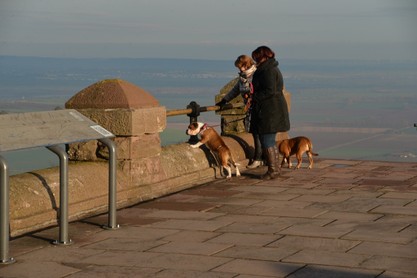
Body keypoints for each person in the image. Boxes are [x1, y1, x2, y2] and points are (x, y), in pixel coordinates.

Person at [215, 55, 263, 168]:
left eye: (240, 66)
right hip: (251, 108)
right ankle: (260, 158)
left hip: (260, 107)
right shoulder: (243, 77)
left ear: (246, 65)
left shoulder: (257, 74)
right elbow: (235, 90)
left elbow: (261, 90)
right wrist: (224, 100)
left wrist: (251, 96)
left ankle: (259, 158)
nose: (239, 69)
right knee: (256, 133)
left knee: (260, 134)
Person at [250, 46, 290, 179]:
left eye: (256, 56)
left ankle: (273, 170)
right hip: (271, 109)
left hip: (269, 110)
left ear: (263, 56)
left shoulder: (268, 70)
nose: (254, 59)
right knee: (269, 141)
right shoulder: (269, 68)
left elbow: (269, 91)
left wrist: (253, 97)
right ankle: (275, 169)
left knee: (267, 140)